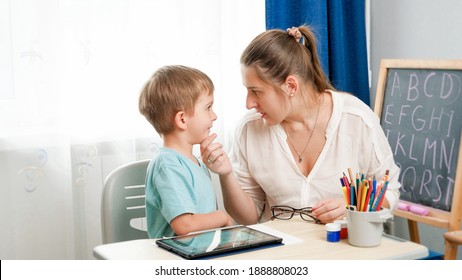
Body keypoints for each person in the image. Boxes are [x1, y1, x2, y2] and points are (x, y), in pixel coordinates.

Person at [201, 25, 400, 225]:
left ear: (291, 86)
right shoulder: (250, 129)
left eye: (256, 91)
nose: (248, 103)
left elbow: (390, 192)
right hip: (281, 252)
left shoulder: (357, 119)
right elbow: (248, 217)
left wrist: (355, 205)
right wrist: (226, 174)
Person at [139, 65, 234, 238]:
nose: (214, 116)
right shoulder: (167, 165)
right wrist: (222, 217)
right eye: (208, 108)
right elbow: (185, 226)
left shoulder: (195, 162)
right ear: (182, 119)